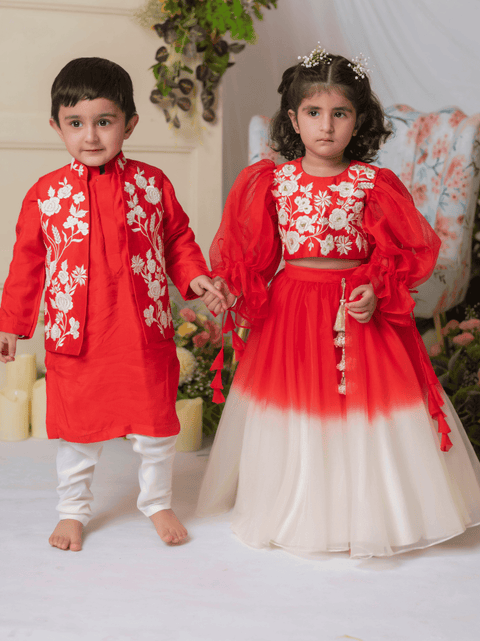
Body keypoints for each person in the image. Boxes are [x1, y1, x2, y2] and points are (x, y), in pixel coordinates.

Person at [197, 45, 480, 559]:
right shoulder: (271, 182)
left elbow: (400, 251)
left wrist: (375, 286)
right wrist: (230, 291)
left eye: (340, 113)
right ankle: (301, 507)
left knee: (363, 412)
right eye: (313, 113)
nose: (326, 126)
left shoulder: (373, 183)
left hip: (354, 310)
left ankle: (369, 512)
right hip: (292, 310)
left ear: (358, 120)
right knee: (296, 407)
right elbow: (254, 257)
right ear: (293, 119)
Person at [0, 57, 226, 552]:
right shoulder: (46, 195)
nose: (91, 136)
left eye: (105, 122)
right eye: (76, 123)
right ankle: (73, 510)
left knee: (155, 429)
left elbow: (178, 242)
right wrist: (11, 324)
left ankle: (158, 501)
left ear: (129, 123)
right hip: (77, 337)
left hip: (140, 333)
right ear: (57, 125)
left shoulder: (152, 185)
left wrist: (198, 279)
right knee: (79, 434)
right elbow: (26, 264)